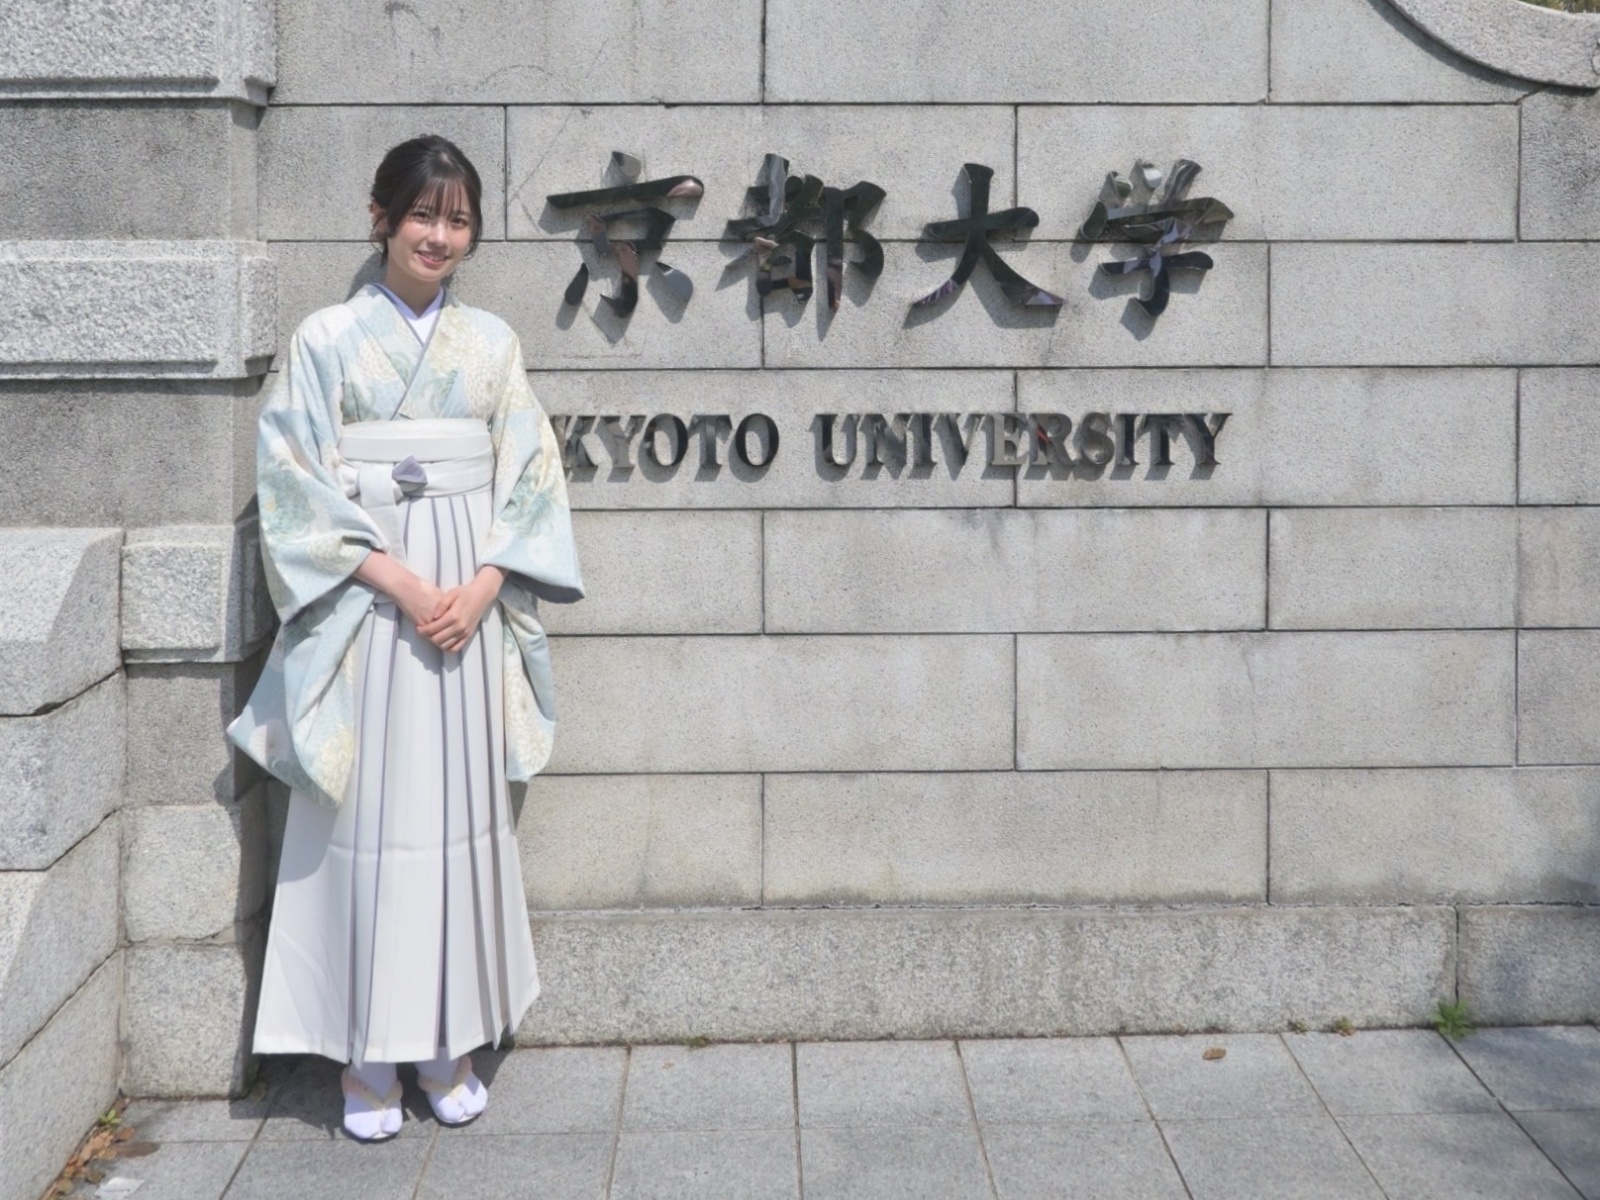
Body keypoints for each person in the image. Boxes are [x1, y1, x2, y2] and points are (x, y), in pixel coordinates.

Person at [228, 135, 583, 1142]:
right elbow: (292, 481)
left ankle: (447, 1040)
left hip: (464, 610)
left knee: (458, 822)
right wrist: (399, 580)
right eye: (423, 214)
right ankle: (366, 1051)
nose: (440, 235)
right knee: (364, 826)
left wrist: (482, 587)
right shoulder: (326, 339)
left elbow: (532, 476)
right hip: (368, 604)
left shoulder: (492, 346)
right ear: (381, 217)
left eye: (458, 219)